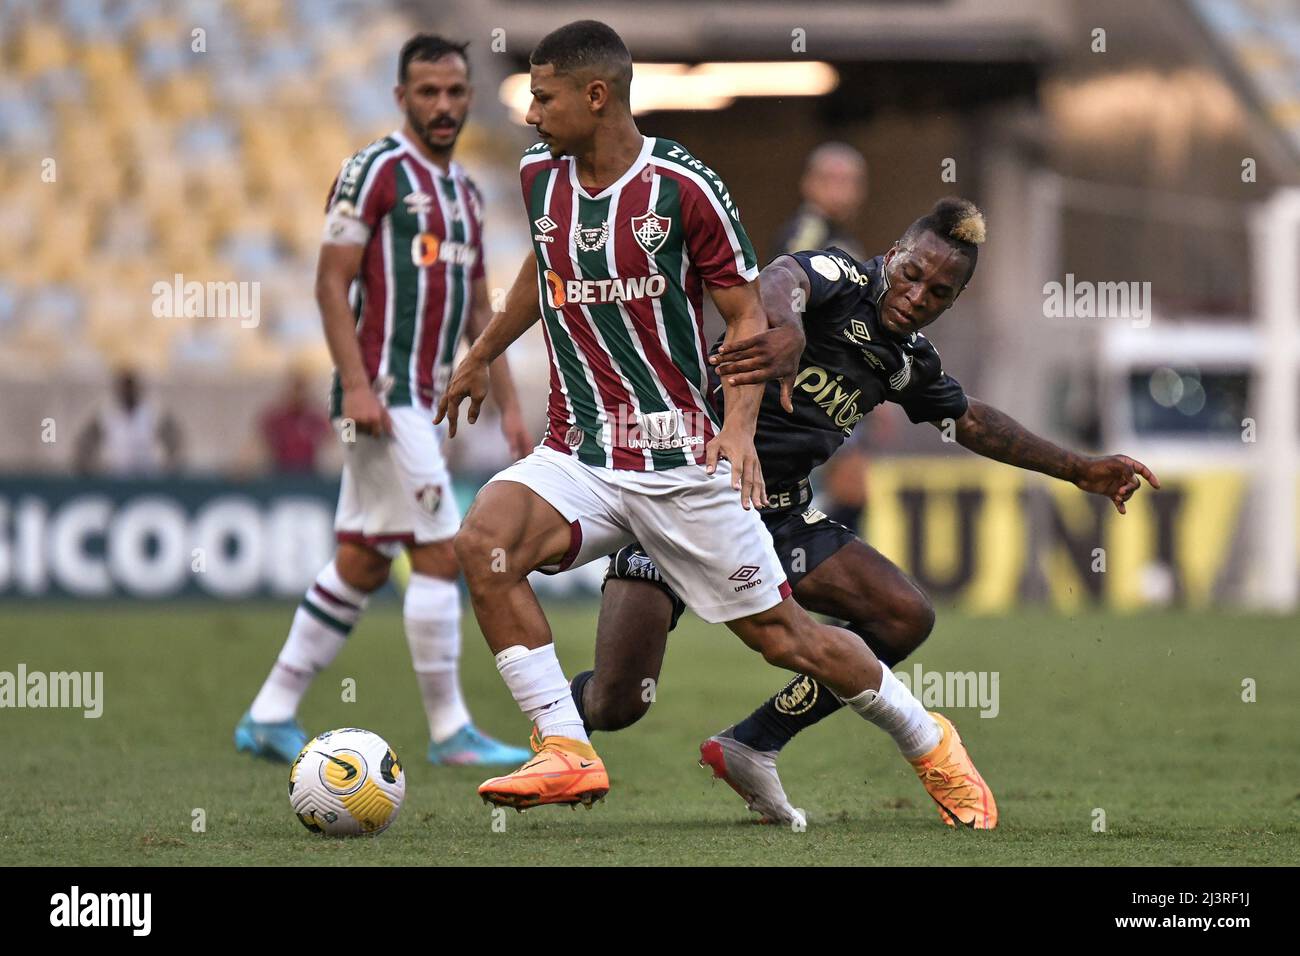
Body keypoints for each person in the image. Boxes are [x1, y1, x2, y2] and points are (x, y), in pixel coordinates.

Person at [438, 21, 995, 827]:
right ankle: (565, 750)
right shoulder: (538, 177)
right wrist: (482, 352)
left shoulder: (685, 186)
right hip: (584, 448)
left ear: (597, 96)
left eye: (543, 95)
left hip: (681, 460)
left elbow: (744, 319)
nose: (529, 112)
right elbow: (547, 261)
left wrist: (735, 431)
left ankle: (931, 744)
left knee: (788, 640)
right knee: (484, 543)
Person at [575, 198, 1160, 827]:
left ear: (951, 301)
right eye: (911, 274)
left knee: (903, 615)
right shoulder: (841, 279)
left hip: (778, 517)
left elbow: (972, 422)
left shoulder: (906, 362)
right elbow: (778, 277)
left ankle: (754, 741)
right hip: (683, 501)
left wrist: (1078, 469)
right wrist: (791, 328)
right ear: (892, 255)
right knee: (617, 703)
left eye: (938, 292)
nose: (916, 296)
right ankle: (556, 720)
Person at [235, 34, 533, 767]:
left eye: (456, 92)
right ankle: (449, 731)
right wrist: (359, 385)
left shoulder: (464, 193)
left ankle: (269, 713)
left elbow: (474, 307)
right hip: (383, 393)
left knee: (365, 559)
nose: (443, 105)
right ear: (402, 97)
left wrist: (513, 402)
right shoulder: (372, 171)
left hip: (425, 397)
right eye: (427, 92)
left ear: (470, 97)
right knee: (439, 549)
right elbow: (330, 282)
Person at [770, 142, 868, 261]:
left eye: (848, 182)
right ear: (808, 183)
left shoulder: (842, 236)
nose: (838, 191)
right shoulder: (806, 236)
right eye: (827, 180)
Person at [74, 369, 183, 475]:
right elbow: (85, 443)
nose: (128, 393)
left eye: (131, 389)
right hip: (114, 474)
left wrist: (170, 467)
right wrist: (88, 468)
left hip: (147, 474)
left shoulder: (154, 412)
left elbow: (174, 441)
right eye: (124, 389)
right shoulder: (105, 414)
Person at [256, 370, 332, 474]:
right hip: (282, 469)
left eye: (302, 390)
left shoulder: (313, 417)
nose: (298, 395)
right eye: (295, 390)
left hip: (308, 470)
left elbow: (330, 432)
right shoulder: (279, 417)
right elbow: (263, 431)